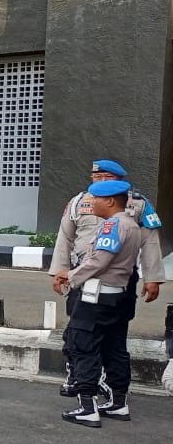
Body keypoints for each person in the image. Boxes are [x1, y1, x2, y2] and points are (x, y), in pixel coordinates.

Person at [50, 159, 164, 401]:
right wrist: (60, 271)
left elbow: (150, 241)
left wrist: (152, 278)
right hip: (81, 276)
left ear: (120, 181)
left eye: (107, 178)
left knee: (113, 333)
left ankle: (105, 383)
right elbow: (64, 238)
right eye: (97, 177)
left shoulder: (139, 204)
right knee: (78, 330)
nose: (101, 182)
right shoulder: (78, 202)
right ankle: (77, 377)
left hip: (119, 278)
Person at [58, 179, 144, 426]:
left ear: (109, 201)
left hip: (96, 298)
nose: (91, 203)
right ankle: (118, 403)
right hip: (118, 296)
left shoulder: (113, 226)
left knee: (82, 347)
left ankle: (87, 407)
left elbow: (98, 261)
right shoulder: (132, 225)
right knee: (114, 348)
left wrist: (70, 276)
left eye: (95, 199)